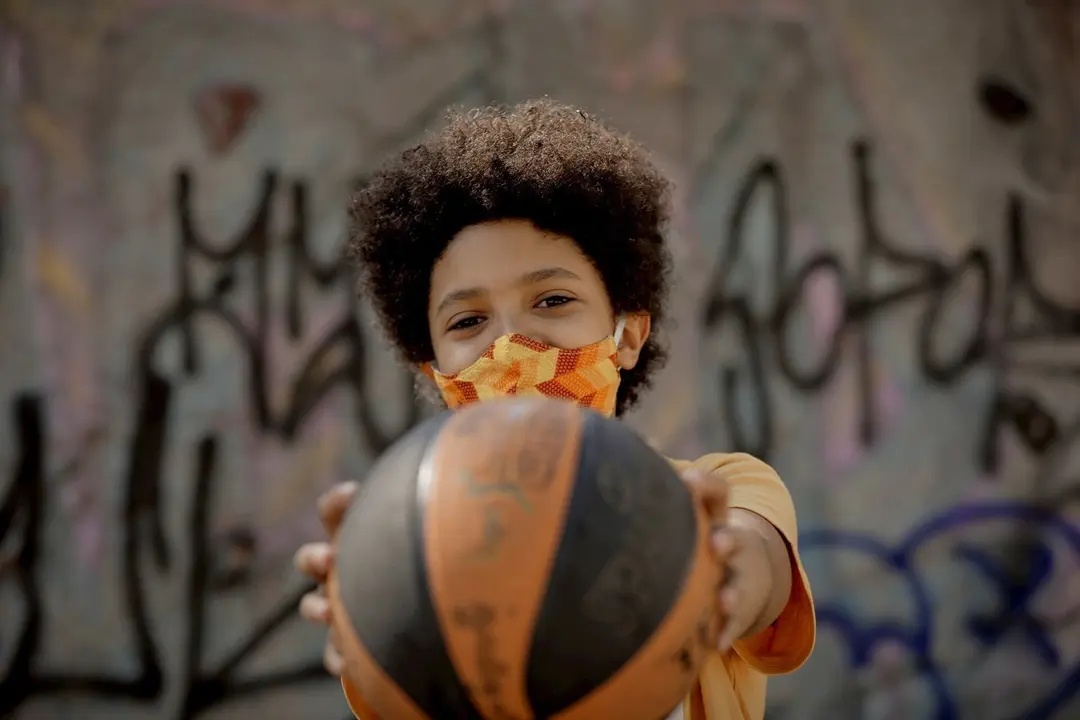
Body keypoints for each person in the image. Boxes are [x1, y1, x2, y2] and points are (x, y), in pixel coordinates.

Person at [293, 99, 815, 720]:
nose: (511, 345)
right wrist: (374, 613)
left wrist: (721, 577)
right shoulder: (414, 549)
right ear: (433, 370)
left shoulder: (720, 492)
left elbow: (758, 567)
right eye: (468, 319)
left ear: (626, 335)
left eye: (552, 300)